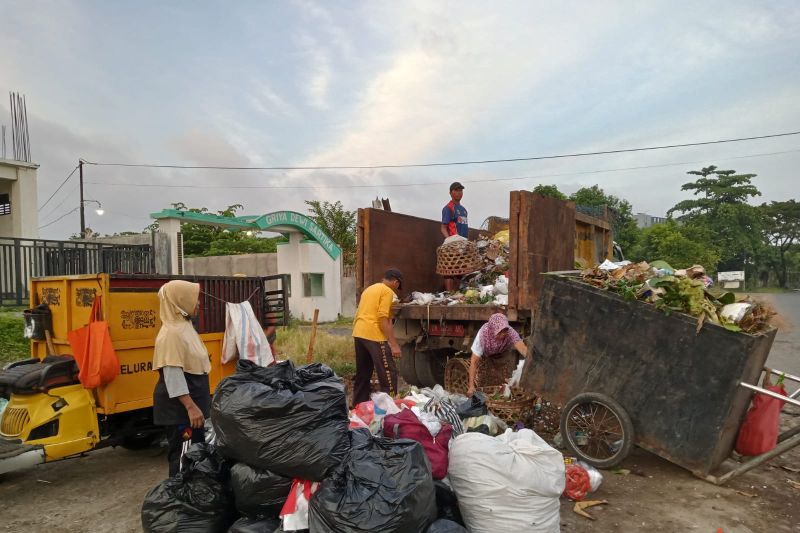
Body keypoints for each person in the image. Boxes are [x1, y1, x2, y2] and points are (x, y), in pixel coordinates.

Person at [152, 280, 211, 477]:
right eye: (194, 299)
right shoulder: (171, 334)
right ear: (180, 301)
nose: (199, 303)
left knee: (195, 455)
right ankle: (178, 500)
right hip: (181, 411)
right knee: (183, 459)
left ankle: (191, 499)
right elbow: (173, 375)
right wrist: (191, 407)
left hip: (192, 408)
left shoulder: (184, 326)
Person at [351, 268, 404, 405]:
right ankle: (390, 406)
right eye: (398, 286)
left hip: (359, 333)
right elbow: (383, 319)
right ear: (395, 282)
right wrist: (394, 344)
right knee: (388, 372)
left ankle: (358, 406)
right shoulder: (387, 292)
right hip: (374, 335)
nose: (397, 289)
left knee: (363, 373)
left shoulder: (369, 289)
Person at [466, 313, 527, 396]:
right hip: (487, 357)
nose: (503, 334)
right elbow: (474, 362)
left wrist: (531, 359)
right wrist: (471, 386)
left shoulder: (510, 332)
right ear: (492, 331)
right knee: (486, 387)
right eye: (499, 332)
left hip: (503, 356)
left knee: (506, 387)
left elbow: (523, 349)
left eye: (504, 331)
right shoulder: (483, 334)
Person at [441, 182, 468, 292]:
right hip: (453, 243)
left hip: (463, 244)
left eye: (460, 190)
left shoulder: (464, 210)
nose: (459, 193)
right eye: (456, 190)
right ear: (450, 193)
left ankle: (456, 295)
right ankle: (449, 294)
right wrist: (450, 241)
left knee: (460, 270)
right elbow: (443, 227)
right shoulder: (448, 208)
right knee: (450, 270)